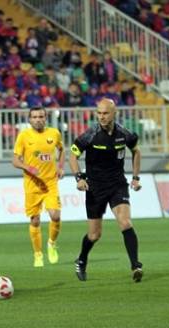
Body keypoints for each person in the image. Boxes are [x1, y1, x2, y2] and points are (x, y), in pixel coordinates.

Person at [69, 99, 143, 282]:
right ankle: (82, 259)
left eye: (105, 113)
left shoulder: (124, 134)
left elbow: (136, 151)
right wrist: (79, 178)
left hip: (117, 184)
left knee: (125, 223)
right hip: (95, 187)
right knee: (94, 235)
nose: (102, 116)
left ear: (114, 113)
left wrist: (135, 178)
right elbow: (73, 155)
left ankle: (136, 266)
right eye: (99, 113)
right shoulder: (90, 134)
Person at [12, 107, 64, 267]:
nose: (38, 119)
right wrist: (28, 168)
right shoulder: (24, 136)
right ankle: (38, 254)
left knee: (55, 216)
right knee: (35, 221)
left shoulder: (54, 133)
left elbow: (62, 150)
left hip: (50, 183)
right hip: (32, 185)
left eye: (41, 116)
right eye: (34, 117)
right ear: (29, 119)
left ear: (45, 118)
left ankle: (52, 243)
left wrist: (61, 167)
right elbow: (15, 160)